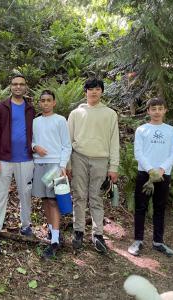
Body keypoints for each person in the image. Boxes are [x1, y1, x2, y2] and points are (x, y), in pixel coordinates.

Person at [67, 78, 119, 254]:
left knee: (96, 197)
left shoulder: (110, 114)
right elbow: (68, 140)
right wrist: (67, 163)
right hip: (79, 157)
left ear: (102, 92)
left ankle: (98, 234)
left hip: (101, 159)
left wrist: (114, 167)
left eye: (97, 89)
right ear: (85, 92)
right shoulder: (76, 113)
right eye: (90, 89)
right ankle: (78, 231)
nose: (94, 92)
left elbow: (114, 142)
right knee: (79, 195)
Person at [0, 74, 36, 254]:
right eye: (14, 84)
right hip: (5, 160)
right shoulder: (2, 107)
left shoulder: (30, 108)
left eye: (21, 84)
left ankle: (26, 226)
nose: (17, 87)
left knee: (26, 194)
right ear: (10, 86)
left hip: (26, 159)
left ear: (25, 87)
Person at [128, 97, 173, 257]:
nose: (157, 111)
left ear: (165, 110)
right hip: (145, 174)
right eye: (153, 108)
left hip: (164, 174)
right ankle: (138, 240)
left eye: (160, 108)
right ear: (148, 111)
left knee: (159, 207)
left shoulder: (170, 130)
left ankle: (158, 242)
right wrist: (151, 170)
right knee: (141, 207)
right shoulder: (142, 129)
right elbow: (139, 152)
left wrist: (162, 169)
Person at [31, 90, 72, 259]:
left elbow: (66, 145)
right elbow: (31, 141)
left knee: (54, 201)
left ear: (54, 102)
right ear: (39, 103)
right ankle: (51, 230)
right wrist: (35, 147)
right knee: (45, 200)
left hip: (55, 166)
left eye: (49, 100)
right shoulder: (35, 122)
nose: (46, 103)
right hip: (39, 164)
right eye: (43, 100)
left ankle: (55, 240)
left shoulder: (60, 120)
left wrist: (62, 165)